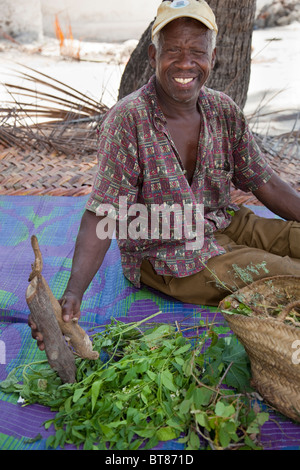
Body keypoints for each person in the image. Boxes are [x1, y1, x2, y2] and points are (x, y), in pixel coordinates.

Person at [29, 0, 300, 350]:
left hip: (223, 222)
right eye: (173, 50)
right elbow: (102, 214)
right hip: (168, 254)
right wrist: (73, 292)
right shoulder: (127, 121)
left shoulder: (223, 110)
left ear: (212, 58)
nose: (185, 63)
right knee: (285, 274)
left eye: (197, 52)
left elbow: (267, 182)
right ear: (153, 54)